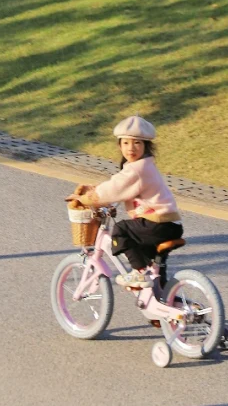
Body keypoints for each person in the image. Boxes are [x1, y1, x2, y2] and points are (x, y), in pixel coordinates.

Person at [67, 115, 183, 289]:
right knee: (155, 273)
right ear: (119, 145)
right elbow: (120, 188)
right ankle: (164, 306)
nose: (131, 148)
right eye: (126, 143)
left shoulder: (137, 169)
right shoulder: (145, 166)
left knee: (121, 230)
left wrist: (85, 198)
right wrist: (100, 192)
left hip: (158, 224)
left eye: (137, 143)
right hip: (170, 224)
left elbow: (113, 189)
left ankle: (138, 272)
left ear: (146, 146)